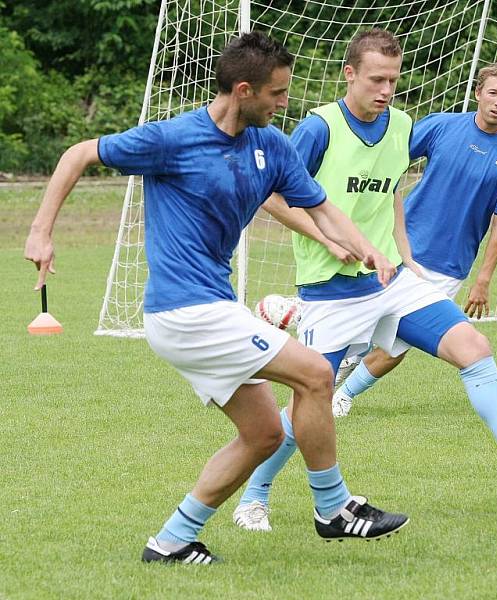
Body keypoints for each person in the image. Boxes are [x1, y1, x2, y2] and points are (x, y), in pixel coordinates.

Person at [23, 32, 410, 564]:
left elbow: (321, 208)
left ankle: (171, 543)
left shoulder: (271, 145)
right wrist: (41, 231)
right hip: (185, 312)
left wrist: (368, 248)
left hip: (213, 308)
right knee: (317, 375)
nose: (284, 103)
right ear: (244, 90)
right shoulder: (172, 138)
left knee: (264, 434)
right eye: (276, 94)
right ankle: (334, 508)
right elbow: (79, 153)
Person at [232, 29, 497, 533]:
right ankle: (253, 496)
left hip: (394, 281)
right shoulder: (320, 128)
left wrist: (405, 255)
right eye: (376, 79)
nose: (385, 90)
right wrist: (329, 240)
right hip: (332, 292)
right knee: (310, 401)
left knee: (473, 345)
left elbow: (393, 192)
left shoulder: (401, 125)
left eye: (393, 81)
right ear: (349, 74)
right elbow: (269, 194)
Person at [330, 62, 497, 419]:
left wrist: (482, 280)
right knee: (362, 317)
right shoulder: (442, 125)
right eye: (493, 92)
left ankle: (343, 394)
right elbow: (389, 163)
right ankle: (339, 365)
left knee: (400, 342)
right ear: (478, 93)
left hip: (447, 265)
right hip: (397, 245)